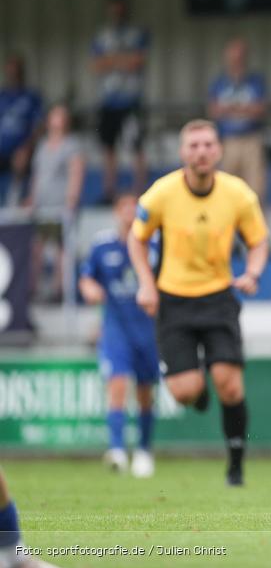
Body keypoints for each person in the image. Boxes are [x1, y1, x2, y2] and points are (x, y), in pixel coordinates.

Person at [128, 119, 269, 486]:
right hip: (173, 301)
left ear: (218, 150)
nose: (201, 151)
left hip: (219, 298)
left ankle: (235, 466)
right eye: (193, 146)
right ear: (182, 153)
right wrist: (146, 284)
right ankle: (197, 386)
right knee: (185, 391)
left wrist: (252, 273)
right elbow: (136, 238)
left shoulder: (239, 194)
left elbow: (258, 240)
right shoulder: (161, 193)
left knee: (231, 385)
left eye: (207, 144)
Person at [79, 194, 159, 477]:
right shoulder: (103, 245)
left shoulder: (156, 244)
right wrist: (89, 288)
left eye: (134, 208)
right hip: (116, 328)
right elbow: (87, 275)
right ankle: (115, 449)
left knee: (145, 392)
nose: (129, 213)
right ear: (116, 211)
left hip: (148, 328)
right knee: (117, 385)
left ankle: (144, 450)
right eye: (124, 207)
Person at [91, 0, 149, 200]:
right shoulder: (102, 34)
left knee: (136, 146)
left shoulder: (137, 32)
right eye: (113, 10)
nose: (117, 14)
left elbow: (138, 62)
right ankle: (109, 191)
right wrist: (122, 60)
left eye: (120, 10)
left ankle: (139, 190)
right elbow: (96, 65)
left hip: (131, 99)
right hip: (108, 100)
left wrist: (111, 61)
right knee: (108, 147)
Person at [23, 105, 84, 303]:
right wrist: (31, 198)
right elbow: (37, 176)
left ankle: (59, 292)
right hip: (42, 207)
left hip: (60, 207)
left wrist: (71, 201)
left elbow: (76, 174)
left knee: (61, 251)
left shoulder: (72, 145)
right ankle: (35, 290)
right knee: (36, 249)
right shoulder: (42, 146)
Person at [207, 38, 268, 202]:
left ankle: (256, 228)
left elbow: (260, 109)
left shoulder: (255, 80)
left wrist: (231, 108)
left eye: (240, 57)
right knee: (226, 191)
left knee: (256, 190)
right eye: (233, 57)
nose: (236, 61)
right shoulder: (219, 82)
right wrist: (245, 108)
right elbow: (214, 111)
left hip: (251, 140)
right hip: (228, 141)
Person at [0, 55, 42, 207]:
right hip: (2, 147)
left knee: (21, 157)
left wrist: (28, 145)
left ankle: (15, 196)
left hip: (22, 147)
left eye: (15, 70)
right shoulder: (2, 95)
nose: (12, 73)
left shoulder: (31, 96)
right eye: (10, 70)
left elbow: (39, 125)